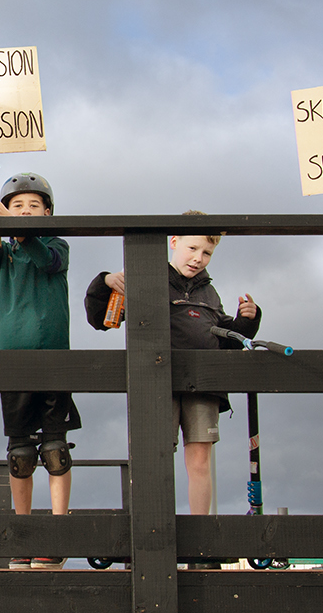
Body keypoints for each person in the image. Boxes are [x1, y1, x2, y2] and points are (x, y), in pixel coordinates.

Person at [85, 211, 260, 529]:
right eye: (192, 248)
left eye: (206, 252)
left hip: (205, 384)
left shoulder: (210, 293)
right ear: (174, 242)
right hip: (157, 381)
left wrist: (247, 321)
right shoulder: (146, 278)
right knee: (156, 456)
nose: (198, 258)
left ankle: (201, 536)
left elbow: (230, 344)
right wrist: (106, 281)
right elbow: (101, 319)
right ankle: (152, 529)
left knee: (200, 460)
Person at [0, 159, 78, 571]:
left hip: (54, 357)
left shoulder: (56, 246)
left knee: (55, 449)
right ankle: (23, 535)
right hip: (12, 361)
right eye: (16, 206)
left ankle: (56, 534)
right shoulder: (3, 252)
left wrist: (13, 223)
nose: (25, 212)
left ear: (48, 212)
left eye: (33, 206)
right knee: (20, 453)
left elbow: (45, 258)